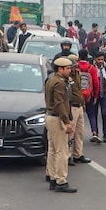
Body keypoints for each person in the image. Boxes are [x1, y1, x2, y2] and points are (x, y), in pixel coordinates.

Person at [45, 57, 78, 193]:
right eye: (67, 68)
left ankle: (52, 177)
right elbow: (60, 103)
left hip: (50, 117)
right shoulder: (59, 83)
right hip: (57, 118)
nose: (70, 71)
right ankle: (61, 181)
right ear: (60, 69)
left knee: (52, 150)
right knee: (62, 152)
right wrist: (66, 122)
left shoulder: (51, 80)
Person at [67, 55, 92, 165]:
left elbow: (79, 90)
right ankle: (67, 156)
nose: (76, 67)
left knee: (79, 132)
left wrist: (83, 103)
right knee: (69, 134)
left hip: (79, 105)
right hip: (71, 106)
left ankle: (78, 154)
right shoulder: (66, 78)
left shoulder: (77, 74)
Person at [88, 52, 106, 144]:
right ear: (95, 59)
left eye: (102, 59)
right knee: (93, 114)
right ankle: (95, 134)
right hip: (93, 95)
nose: (100, 61)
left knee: (104, 114)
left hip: (104, 95)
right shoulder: (91, 69)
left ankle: (105, 134)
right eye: (98, 59)